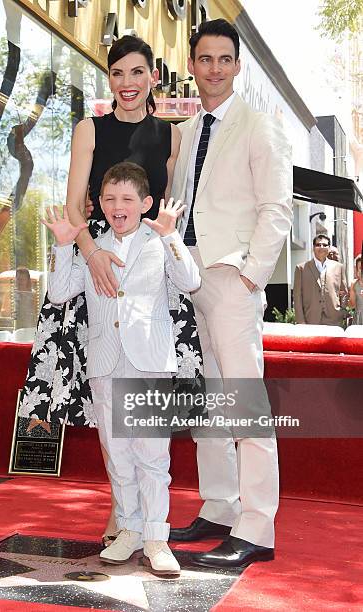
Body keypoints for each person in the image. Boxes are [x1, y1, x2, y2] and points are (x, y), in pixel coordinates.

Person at [20, 35, 203, 545]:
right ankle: (121, 513)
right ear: (110, 79)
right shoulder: (89, 128)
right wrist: (90, 251)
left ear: (152, 77)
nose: (127, 83)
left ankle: (147, 524)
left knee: (148, 404)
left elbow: (172, 208)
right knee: (100, 394)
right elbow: (75, 202)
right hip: (91, 262)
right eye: (118, 73)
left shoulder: (172, 136)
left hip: (149, 274)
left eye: (137, 72)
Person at [168, 19, 293, 569]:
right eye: (204, 59)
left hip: (232, 279)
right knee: (210, 405)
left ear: (237, 66)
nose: (214, 68)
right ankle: (219, 506)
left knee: (244, 403)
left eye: (224, 59)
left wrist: (251, 275)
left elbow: (277, 207)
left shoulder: (258, 126)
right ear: (192, 66)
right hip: (191, 278)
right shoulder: (191, 132)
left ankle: (257, 525)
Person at [43, 162, 201, 576]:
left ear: (145, 203)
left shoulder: (159, 240)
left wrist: (171, 237)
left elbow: (190, 281)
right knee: (117, 454)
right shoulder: (91, 246)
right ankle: (128, 529)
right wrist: (64, 246)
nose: (118, 206)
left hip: (149, 359)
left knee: (151, 455)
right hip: (106, 360)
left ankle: (156, 538)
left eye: (127, 199)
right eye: (110, 199)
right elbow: (59, 293)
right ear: (100, 205)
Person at [293, 234, 348, 326]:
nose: (321, 247)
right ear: (313, 248)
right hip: (310, 319)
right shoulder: (301, 268)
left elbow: (344, 292)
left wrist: (341, 311)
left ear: (329, 248)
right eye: (318, 245)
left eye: (325, 245)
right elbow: (297, 297)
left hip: (334, 319)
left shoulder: (339, 267)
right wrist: (301, 321)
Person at [349, 254, 363, 325]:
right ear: (357, 269)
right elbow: (352, 305)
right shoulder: (354, 284)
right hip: (359, 319)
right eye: (361, 268)